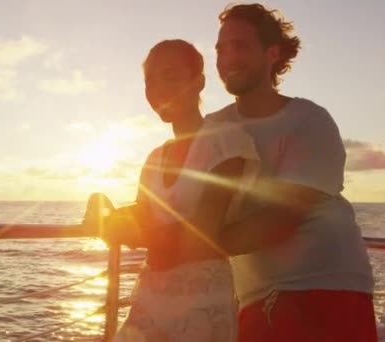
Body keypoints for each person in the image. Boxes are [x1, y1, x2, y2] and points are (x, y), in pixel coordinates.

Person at [209, 3, 378, 341]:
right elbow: (183, 202)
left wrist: (191, 247)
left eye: (240, 45)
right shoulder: (212, 129)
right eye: (221, 49)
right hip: (258, 297)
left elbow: (282, 218)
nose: (227, 57)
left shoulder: (309, 120)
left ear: (273, 53)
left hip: (327, 288)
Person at [91, 39, 260, 341]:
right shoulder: (155, 159)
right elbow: (144, 216)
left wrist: (123, 231)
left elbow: (198, 238)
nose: (157, 88)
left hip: (201, 309)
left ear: (199, 82)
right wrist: (106, 212)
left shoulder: (227, 144)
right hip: (149, 300)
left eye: (169, 76)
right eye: (150, 80)